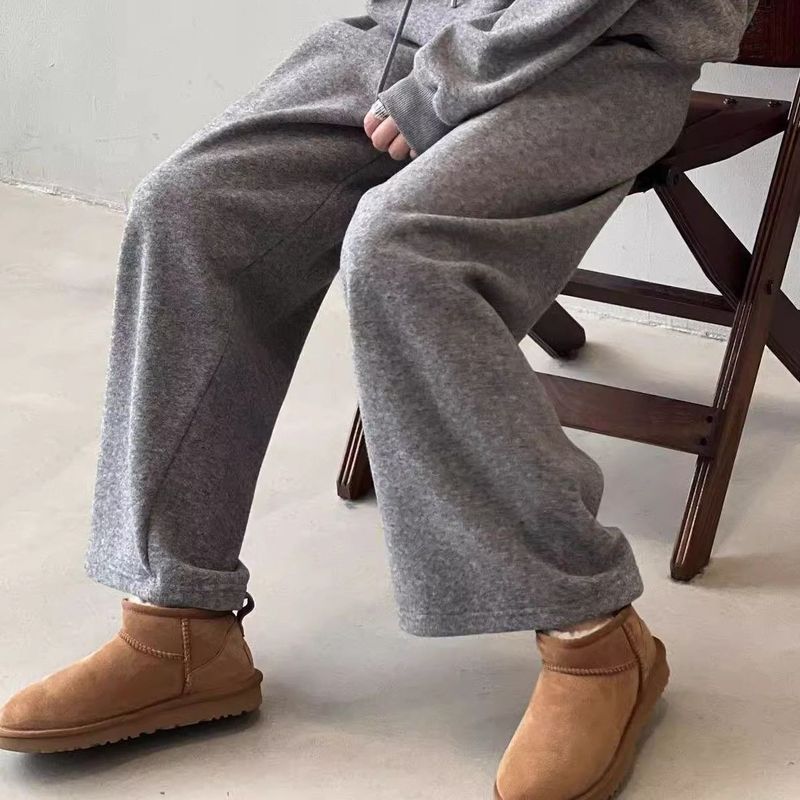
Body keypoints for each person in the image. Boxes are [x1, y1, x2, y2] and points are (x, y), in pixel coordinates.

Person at [0, 0, 759, 797]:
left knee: (404, 251)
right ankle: (178, 627)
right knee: (188, 207)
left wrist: (450, 80)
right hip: (408, 33)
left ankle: (597, 638)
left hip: (600, 53)